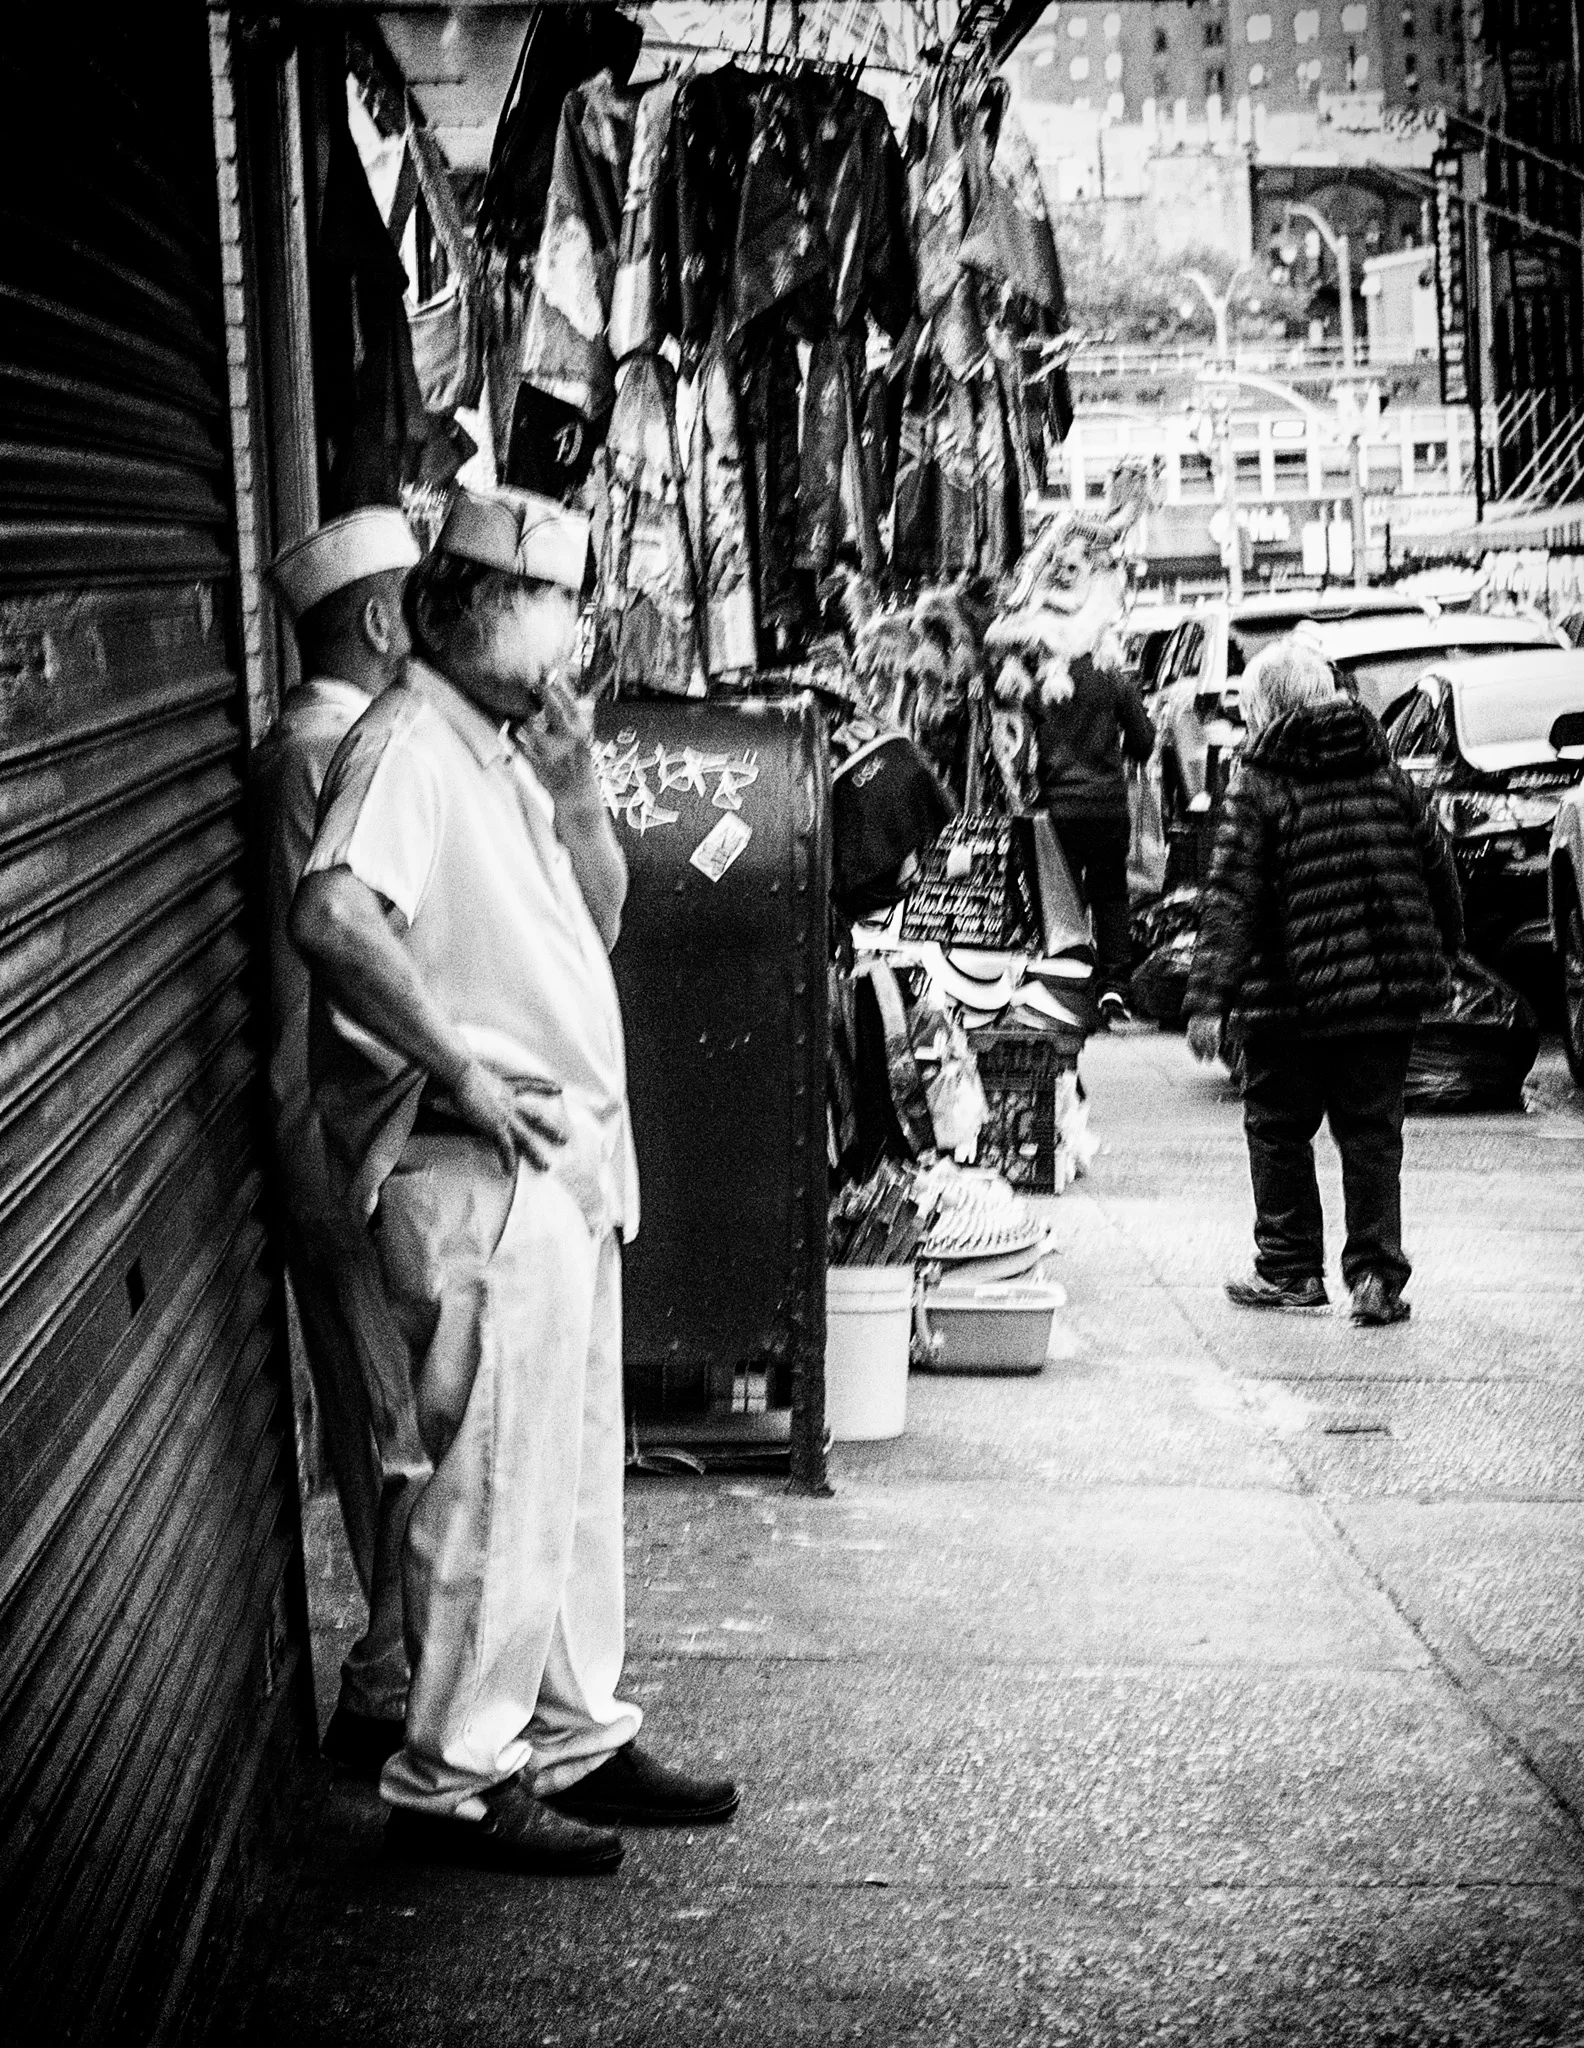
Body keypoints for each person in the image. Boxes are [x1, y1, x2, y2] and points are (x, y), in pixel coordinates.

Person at [289, 487, 738, 1876]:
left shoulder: (501, 749)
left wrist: (583, 787)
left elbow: (595, 924)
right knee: (487, 1482)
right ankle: (456, 1774)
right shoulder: (410, 743)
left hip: (557, 1173)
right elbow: (331, 914)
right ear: (485, 611)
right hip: (475, 1167)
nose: (579, 631)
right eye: (561, 605)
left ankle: (572, 1732)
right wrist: (464, 1074)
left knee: (563, 1477)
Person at [257, 508, 429, 1779]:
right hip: (342, 1128)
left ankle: (400, 1663)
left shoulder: (308, 743)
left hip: (334, 1122)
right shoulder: (336, 748)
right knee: (393, 1411)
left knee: (391, 1404)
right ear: (380, 620)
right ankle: (391, 1678)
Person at [1184, 640, 1464, 1327]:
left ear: (1265, 709)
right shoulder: (1385, 771)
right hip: (1383, 997)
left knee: (1278, 1128)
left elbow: (1232, 901)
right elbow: (1440, 872)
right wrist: (1443, 957)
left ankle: (1289, 1269)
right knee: (1372, 1133)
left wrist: (1209, 1001)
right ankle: (1374, 1277)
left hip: (1289, 998)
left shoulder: (1260, 783)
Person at [986, 538, 1155, 1027]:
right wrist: (1117, 752)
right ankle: (1115, 986)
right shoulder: (1112, 680)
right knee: (1111, 895)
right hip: (1108, 805)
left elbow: (1018, 751)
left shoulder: (1037, 684)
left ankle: (1068, 984)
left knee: (1063, 903)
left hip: (1061, 808)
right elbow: (1143, 741)